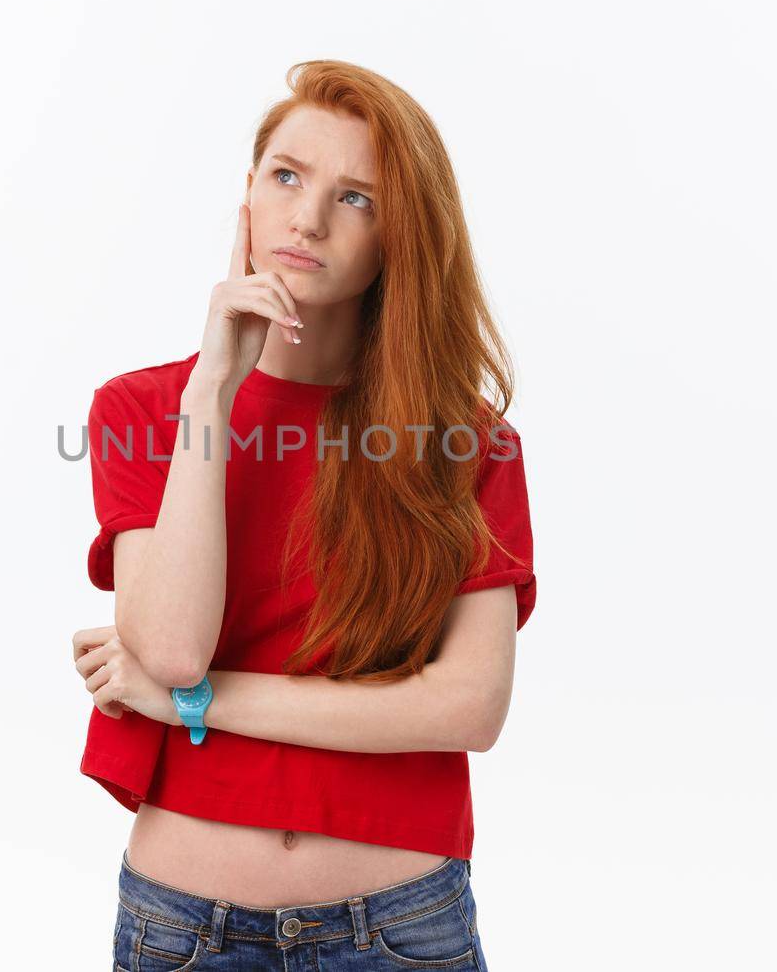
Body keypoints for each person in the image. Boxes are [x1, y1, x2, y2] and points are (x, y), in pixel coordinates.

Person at [71, 59, 535, 971]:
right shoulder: (141, 410)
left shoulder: (465, 441)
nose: (309, 218)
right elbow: (169, 645)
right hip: (184, 932)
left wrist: (194, 705)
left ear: (396, 237)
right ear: (247, 196)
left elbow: (470, 705)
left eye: (355, 197)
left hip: (399, 931)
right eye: (287, 176)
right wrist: (212, 391)